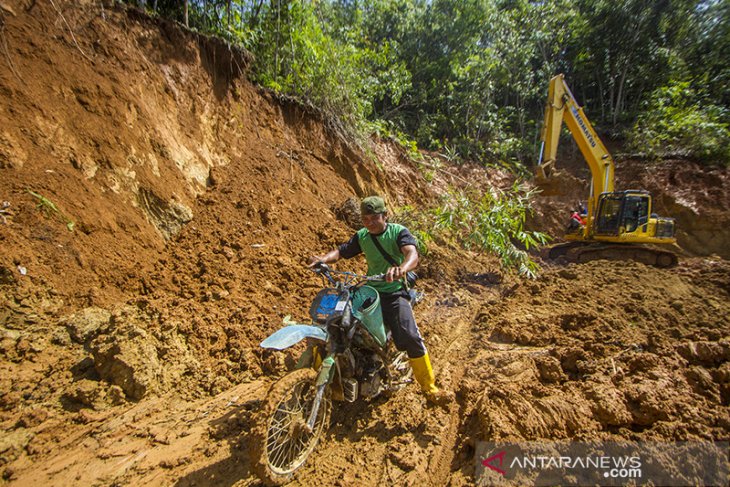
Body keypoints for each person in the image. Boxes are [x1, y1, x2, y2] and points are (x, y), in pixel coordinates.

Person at [309, 196, 448, 405]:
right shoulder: (363, 236)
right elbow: (342, 251)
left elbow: (412, 254)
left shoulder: (398, 232)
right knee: (336, 323)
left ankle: (430, 389)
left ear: (385, 216)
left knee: (410, 337)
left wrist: (402, 268)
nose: (370, 223)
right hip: (370, 291)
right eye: (366, 218)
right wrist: (323, 259)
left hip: (394, 292)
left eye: (375, 218)